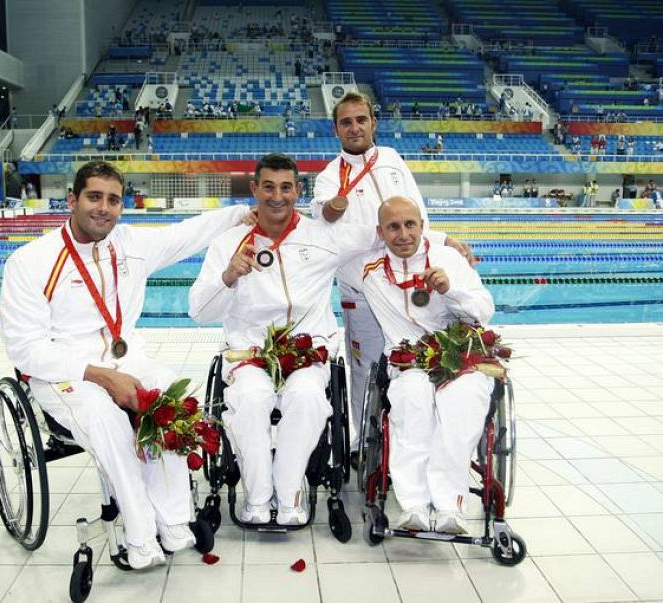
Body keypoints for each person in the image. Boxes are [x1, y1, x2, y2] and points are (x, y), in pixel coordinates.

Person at [0, 161, 252, 569]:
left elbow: (186, 235)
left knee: (175, 399)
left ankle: (173, 521)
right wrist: (100, 376)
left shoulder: (130, 244)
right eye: (94, 197)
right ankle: (139, 534)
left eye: (113, 200)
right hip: (65, 373)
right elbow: (25, 348)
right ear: (72, 200)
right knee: (107, 418)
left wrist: (241, 214)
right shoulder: (30, 262)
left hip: (126, 358)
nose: (103, 208)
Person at [189, 154, 378, 524]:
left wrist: (445, 240)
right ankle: (258, 499)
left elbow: (382, 231)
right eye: (269, 187)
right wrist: (227, 277)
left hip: (307, 352)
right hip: (249, 352)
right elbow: (199, 311)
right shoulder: (227, 242)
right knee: (250, 397)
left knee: (307, 398)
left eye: (286, 187)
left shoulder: (324, 235)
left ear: (298, 191)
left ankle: (289, 496)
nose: (278, 196)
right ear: (255, 189)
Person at [310, 91, 471, 463]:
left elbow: (417, 214)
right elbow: (325, 219)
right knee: (365, 365)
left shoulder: (393, 160)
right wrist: (335, 205)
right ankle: (365, 443)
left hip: (409, 280)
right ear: (335, 129)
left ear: (373, 123)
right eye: (346, 122)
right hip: (361, 287)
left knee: (417, 356)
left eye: (361, 119)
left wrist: (444, 240)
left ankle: (418, 437)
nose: (355, 127)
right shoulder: (329, 176)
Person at [352, 196, 495, 534]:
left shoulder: (449, 259)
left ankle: (450, 506)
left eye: (410, 224)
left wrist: (451, 290)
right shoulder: (369, 269)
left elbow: (484, 309)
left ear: (422, 226)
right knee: (412, 402)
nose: (403, 234)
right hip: (408, 361)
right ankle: (413, 504)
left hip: (459, 355)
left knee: (460, 405)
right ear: (381, 232)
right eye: (393, 227)